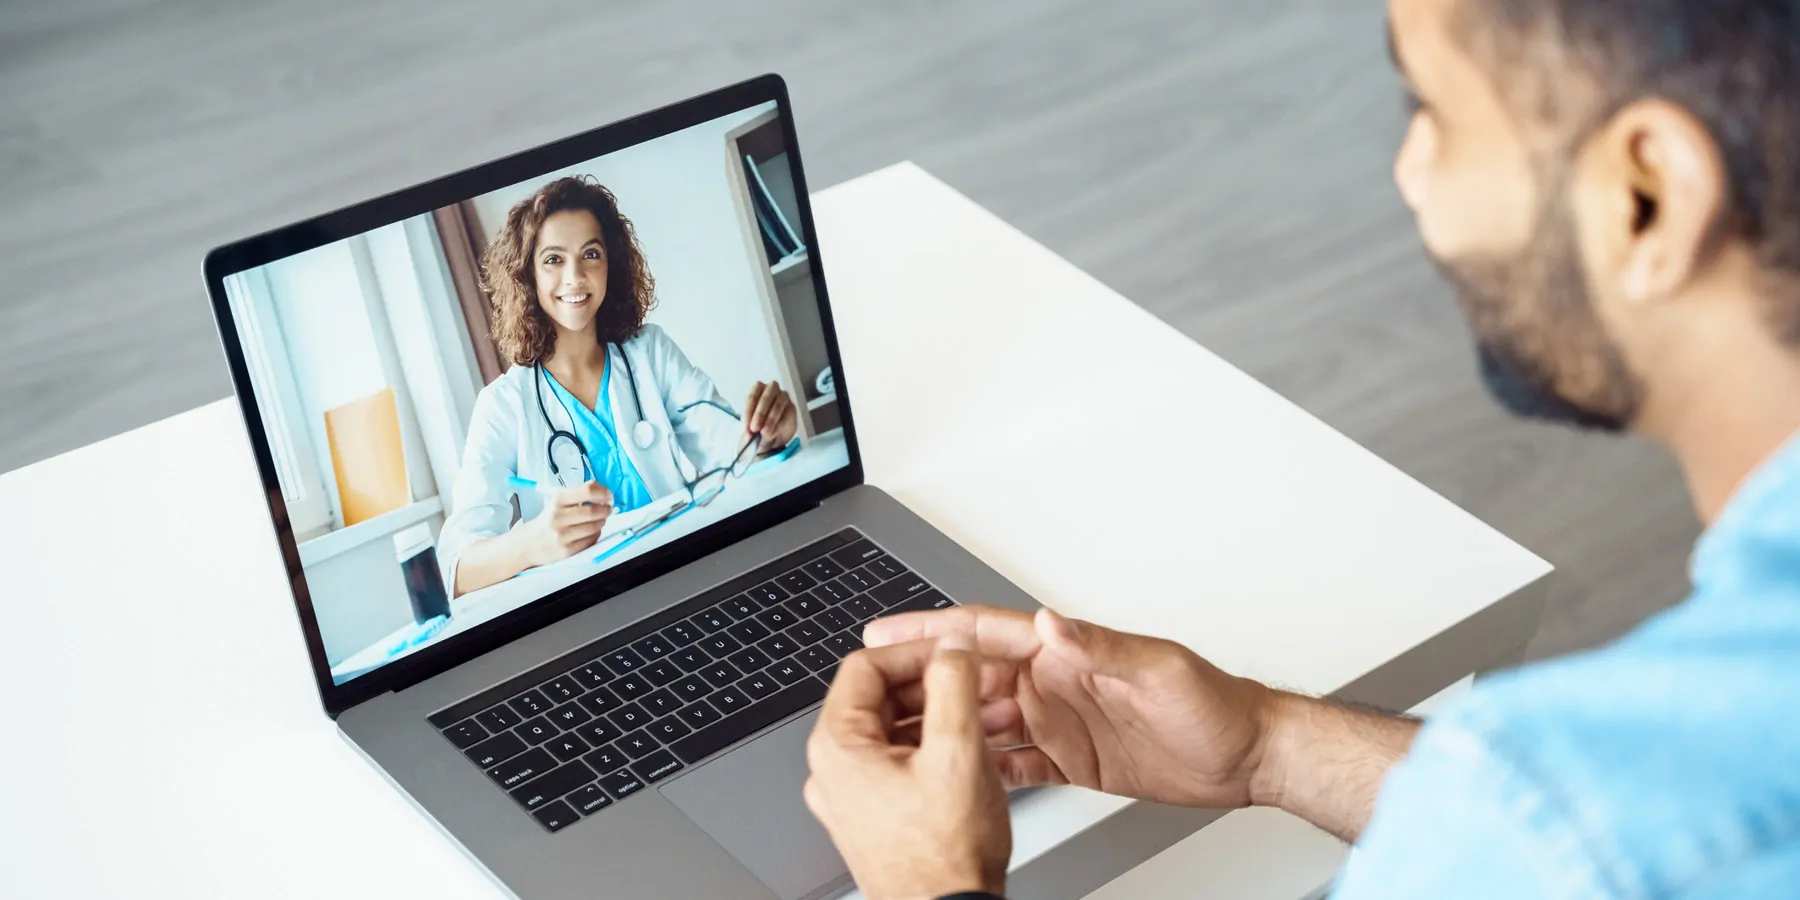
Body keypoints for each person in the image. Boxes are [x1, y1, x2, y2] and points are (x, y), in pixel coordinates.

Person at [803, 0, 1800, 897]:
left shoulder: (1555, 841)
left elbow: (1562, 839)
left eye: (1435, 112)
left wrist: (934, 887)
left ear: (1647, 194)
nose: (1409, 173)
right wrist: (1268, 747)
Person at [438, 176, 798, 597]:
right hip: (590, 609)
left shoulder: (650, 353)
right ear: (527, 275)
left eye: (590, 254)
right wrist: (533, 542)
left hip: (688, 574)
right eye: (553, 259)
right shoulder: (502, 405)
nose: (575, 277)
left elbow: (732, 451)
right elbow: (457, 568)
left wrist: (769, 434)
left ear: (612, 264)